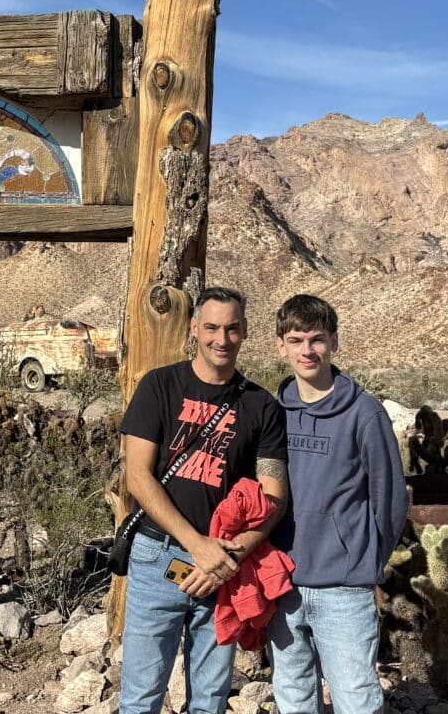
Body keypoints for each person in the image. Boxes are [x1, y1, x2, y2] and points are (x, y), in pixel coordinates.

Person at [119, 286, 289, 714]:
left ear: (245, 331)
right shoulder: (160, 386)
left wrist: (226, 557)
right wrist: (199, 547)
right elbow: (137, 476)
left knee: (210, 700)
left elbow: (275, 498)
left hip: (224, 568)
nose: (221, 338)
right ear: (194, 328)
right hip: (159, 557)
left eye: (232, 328)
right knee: (141, 696)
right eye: (211, 327)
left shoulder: (261, 406)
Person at [269, 294, 409, 714]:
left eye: (317, 339)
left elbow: (390, 499)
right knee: (293, 694)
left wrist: (363, 560)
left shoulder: (365, 413)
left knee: (356, 697)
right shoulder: (273, 413)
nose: (307, 351)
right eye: (296, 340)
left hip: (344, 588)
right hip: (283, 584)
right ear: (281, 346)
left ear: (334, 342)